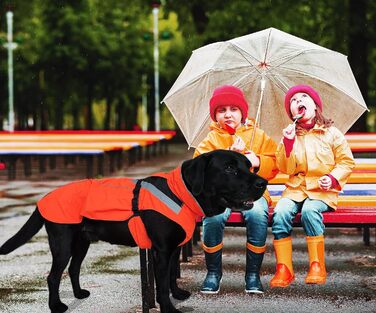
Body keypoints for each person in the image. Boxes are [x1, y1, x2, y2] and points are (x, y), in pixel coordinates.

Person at [193, 85, 278, 294]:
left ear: (243, 113)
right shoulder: (211, 140)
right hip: (221, 196)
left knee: (258, 214)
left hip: (252, 195)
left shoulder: (257, 136)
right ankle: (213, 272)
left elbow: (275, 164)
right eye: (222, 110)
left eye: (233, 109)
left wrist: (254, 160)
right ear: (215, 116)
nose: (228, 114)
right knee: (213, 217)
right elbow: (198, 170)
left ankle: (252, 275)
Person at [270, 84, 355, 288]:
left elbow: (346, 162)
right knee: (280, 212)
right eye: (293, 100)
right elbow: (284, 167)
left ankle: (317, 264)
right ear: (291, 113)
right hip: (295, 189)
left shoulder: (332, 134)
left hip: (322, 191)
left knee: (309, 211)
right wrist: (288, 144)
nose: (298, 101)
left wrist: (333, 178)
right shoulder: (289, 136)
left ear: (315, 106)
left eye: (303, 97)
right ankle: (284, 268)